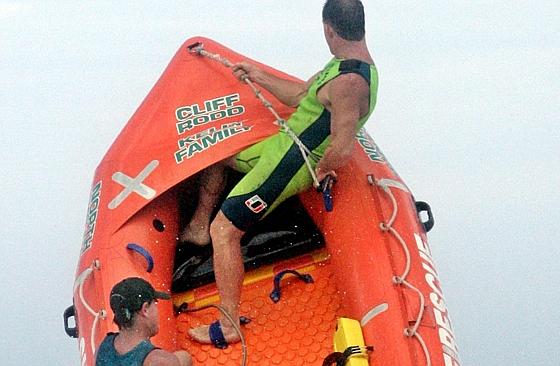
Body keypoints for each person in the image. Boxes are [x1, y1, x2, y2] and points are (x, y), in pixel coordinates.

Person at [182, 0, 378, 347]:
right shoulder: (342, 65)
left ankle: (228, 325)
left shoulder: (351, 82)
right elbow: (301, 94)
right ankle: (196, 227)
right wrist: (256, 75)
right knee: (217, 155)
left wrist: (323, 170)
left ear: (329, 29)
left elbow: (343, 145)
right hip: (279, 146)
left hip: (292, 165)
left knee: (224, 230)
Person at [96, 277, 192, 366]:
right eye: (155, 302)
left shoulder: (103, 347)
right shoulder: (157, 360)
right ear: (145, 309)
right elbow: (184, 359)